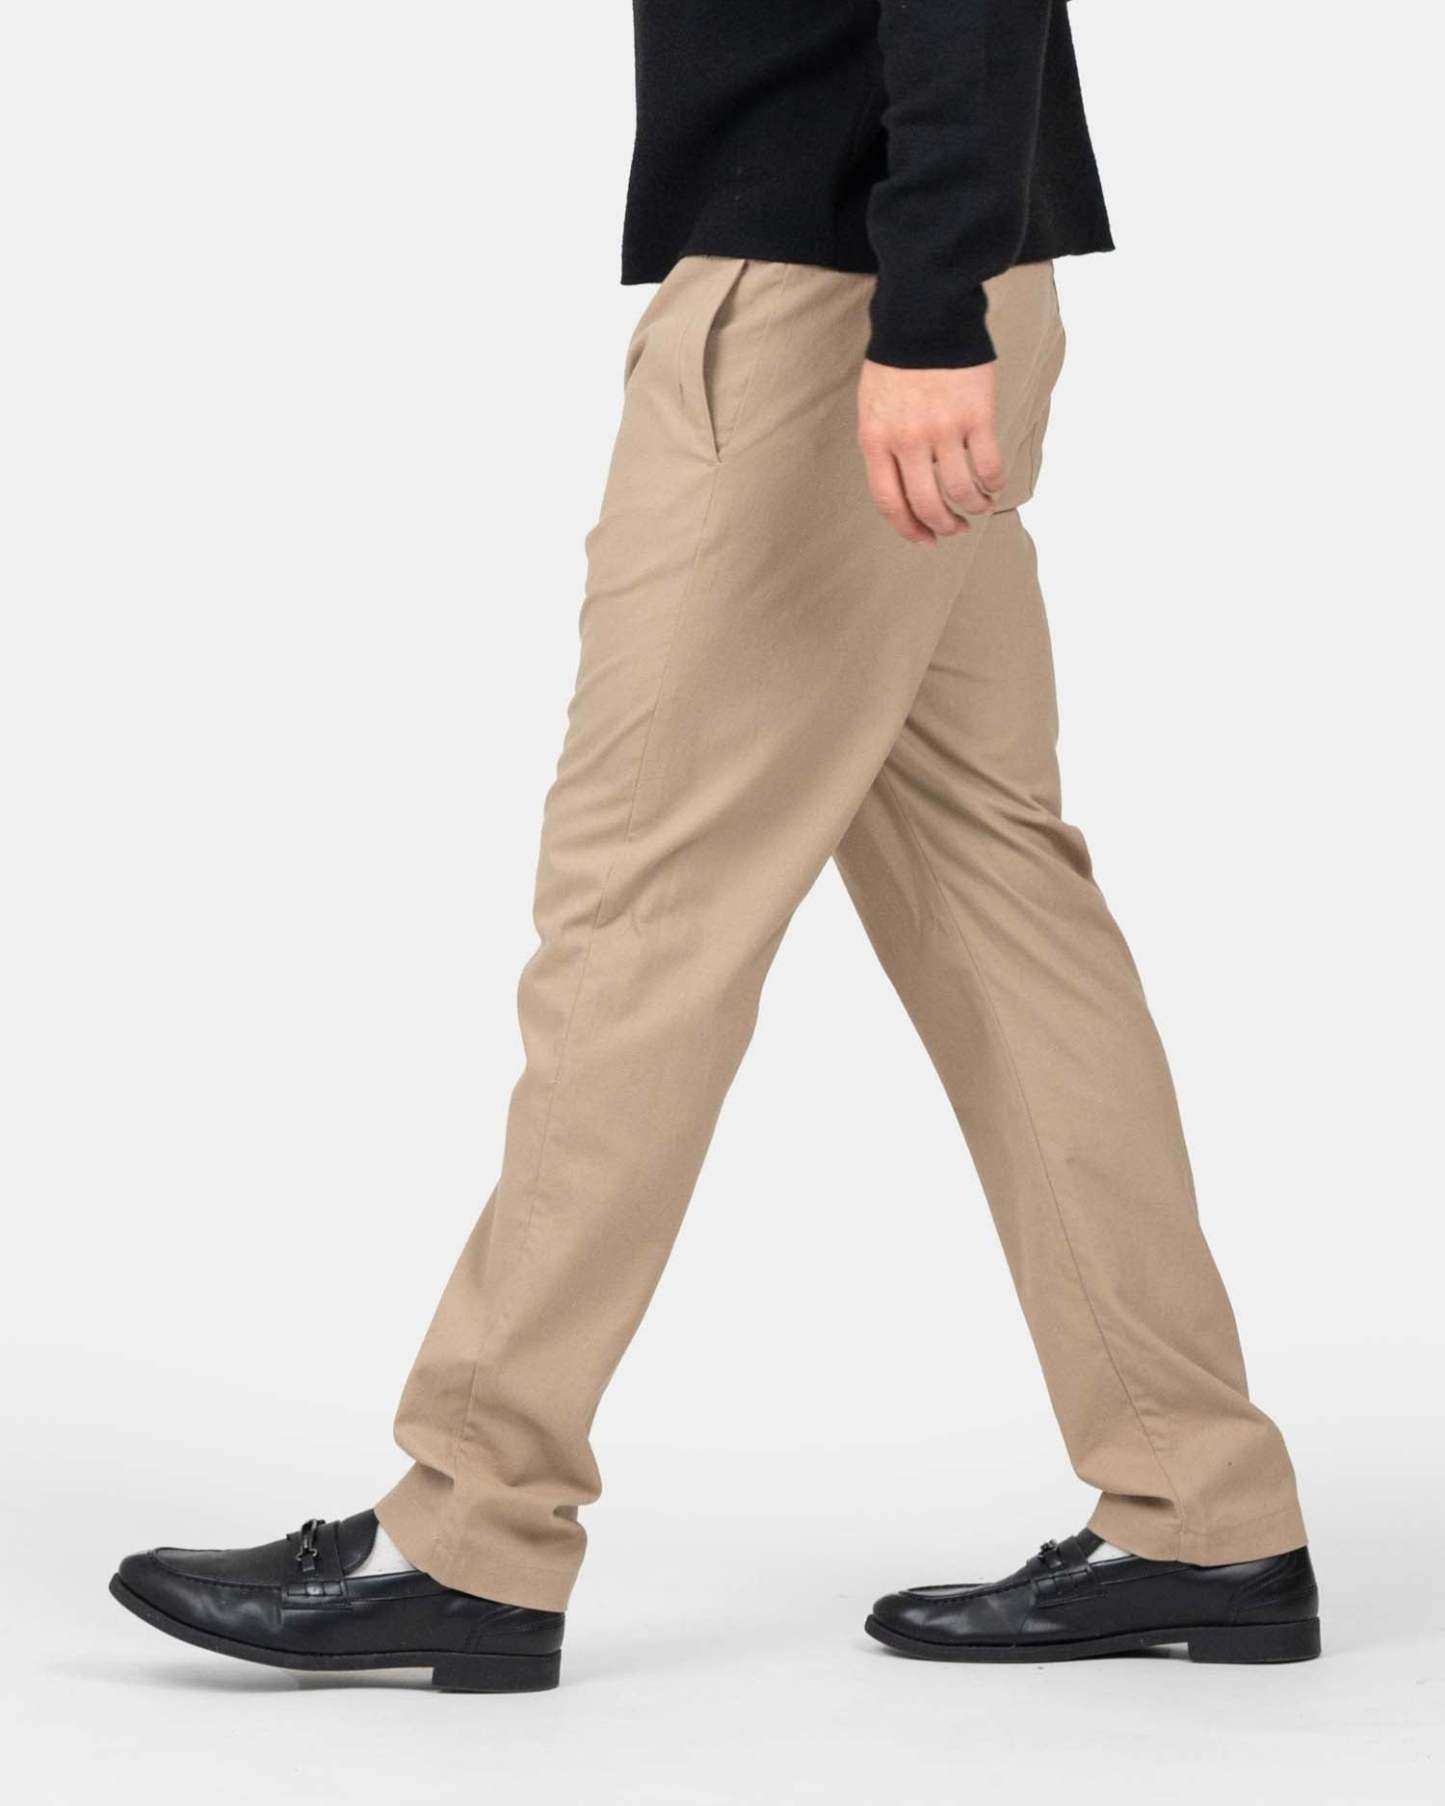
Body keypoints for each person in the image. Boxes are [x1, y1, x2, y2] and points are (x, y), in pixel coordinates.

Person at [109, 1, 1319, 1689]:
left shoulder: (880, 291)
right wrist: (942, 281)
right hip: (903, 270)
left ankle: (472, 1523)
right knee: (996, 896)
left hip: (837, 301)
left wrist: (923, 303)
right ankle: (1201, 1500)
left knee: (640, 902)